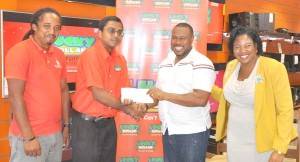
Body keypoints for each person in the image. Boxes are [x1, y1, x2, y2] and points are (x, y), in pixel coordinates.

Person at [210, 26, 298, 162]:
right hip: (235, 139)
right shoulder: (231, 66)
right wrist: (208, 87)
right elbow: (231, 97)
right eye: (237, 47)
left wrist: (280, 149)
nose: (242, 51)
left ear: (256, 47)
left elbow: (285, 110)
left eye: (247, 46)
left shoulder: (273, 68)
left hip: (263, 143)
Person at [71, 16, 146, 162]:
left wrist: (137, 105)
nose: (116, 35)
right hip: (87, 125)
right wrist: (129, 109)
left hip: (109, 124)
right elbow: (98, 94)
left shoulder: (120, 59)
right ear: (99, 33)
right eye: (111, 31)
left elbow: (126, 92)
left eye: (120, 32)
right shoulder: (91, 55)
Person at [5, 8, 70, 162]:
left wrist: (66, 126)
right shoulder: (20, 52)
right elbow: (15, 97)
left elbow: (64, 91)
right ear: (34, 26)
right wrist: (28, 138)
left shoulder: (59, 54)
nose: (52, 31)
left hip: (55, 134)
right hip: (30, 136)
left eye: (56, 27)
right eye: (47, 26)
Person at [147, 23, 216, 162]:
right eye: (174, 38)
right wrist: (141, 106)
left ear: (192, 39)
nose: (178, 42)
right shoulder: (165, 63)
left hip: (192, 133)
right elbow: (157, 94)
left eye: (183, 38)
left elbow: (200, 99)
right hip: (168, 130)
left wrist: (165, 95)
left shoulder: (202, 63)